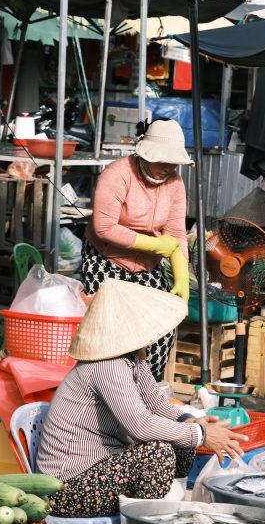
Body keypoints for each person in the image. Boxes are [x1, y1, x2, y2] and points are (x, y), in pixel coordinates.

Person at [37, 278, 248, 518]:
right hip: (67, 487)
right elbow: (140, 425)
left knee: (180, 437)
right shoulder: (108, 364)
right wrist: (202, 436)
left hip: (102, 468)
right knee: (159, 452)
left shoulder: (133, 359)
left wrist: (192, 421)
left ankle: (168, 511)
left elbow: (157, 405)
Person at [81, 118, 193, 381]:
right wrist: (155, 244)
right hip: (106, 259)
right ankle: (108, 391)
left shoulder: (175, 184)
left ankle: (145, 393)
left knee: (159, 332)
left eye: (172, 162)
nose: (167, 167)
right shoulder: (117, 174)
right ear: (145, 154)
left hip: (147, 265)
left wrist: (182, 277)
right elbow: (104, 227)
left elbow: (176, 234)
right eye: (162, 161)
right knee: (111, 333)